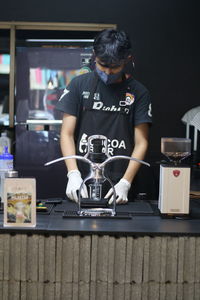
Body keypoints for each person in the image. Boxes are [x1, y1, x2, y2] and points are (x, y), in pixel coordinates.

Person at [56, 28, 152, 204]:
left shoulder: (139, 92)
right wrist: (73, 173)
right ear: (94, 55)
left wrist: (126, 182)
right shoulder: (78, 85)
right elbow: (66, 133)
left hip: (121, 183)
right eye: (103, 65)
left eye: (115, 67)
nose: (108, 72)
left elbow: (141, 142)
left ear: (127, 59)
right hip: (82, 182)